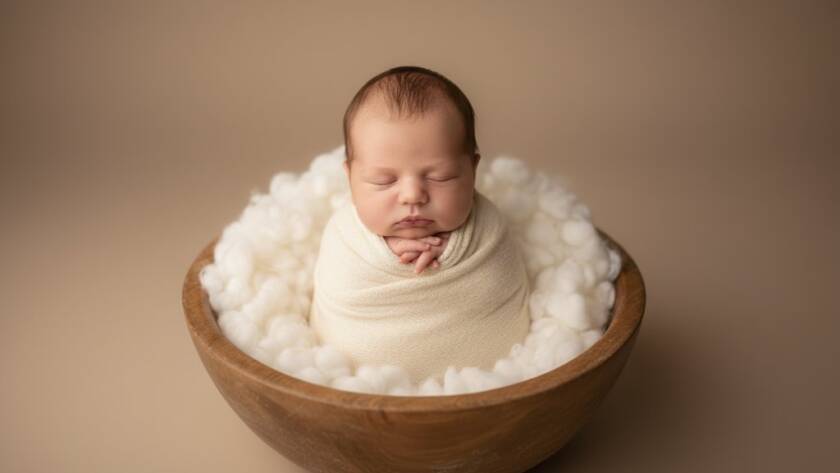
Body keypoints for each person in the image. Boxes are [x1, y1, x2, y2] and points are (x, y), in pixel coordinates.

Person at [341, 65, 481, 274]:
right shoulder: (344, 235)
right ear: (350, 179)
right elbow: (338, 278)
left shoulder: (488, 227)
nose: (412, 195)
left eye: (440, 177)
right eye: (383, 180)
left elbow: (502, 268)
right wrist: (385, 251)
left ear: (473, 171)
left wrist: (454, 250)